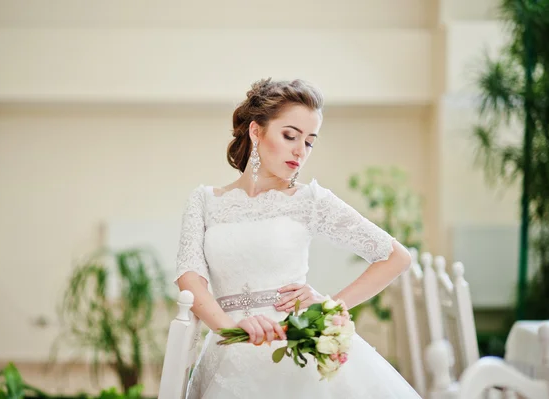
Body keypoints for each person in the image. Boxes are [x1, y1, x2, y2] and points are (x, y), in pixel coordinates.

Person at [174, 77, 421, 398]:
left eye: (309, 142)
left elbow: (397, 257)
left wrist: (329, 308)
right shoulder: (204, 201)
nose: (300, 151)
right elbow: (189, 278)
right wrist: (229, 328)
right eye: (290, 135)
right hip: (228, 356)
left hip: (295, 349)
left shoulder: (309, 200)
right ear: (256, 131)